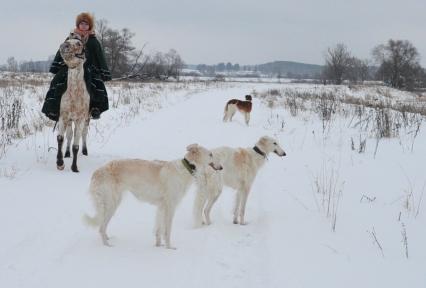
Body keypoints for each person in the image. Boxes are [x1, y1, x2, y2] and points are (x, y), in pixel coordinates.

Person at [42, 12, 111, 121]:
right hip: (70, 66)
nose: (84, 26)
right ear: (78, 25)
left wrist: (104, 72)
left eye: (86, 24)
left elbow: (100, 56)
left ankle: (95, 108)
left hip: (88, 68)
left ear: (90, 26)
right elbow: (61, 51)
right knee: (57, 80)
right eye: (82, 24)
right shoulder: (70, 38)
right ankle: (54, 109)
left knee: (97, 83)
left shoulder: (93, 41)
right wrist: (57, 65)